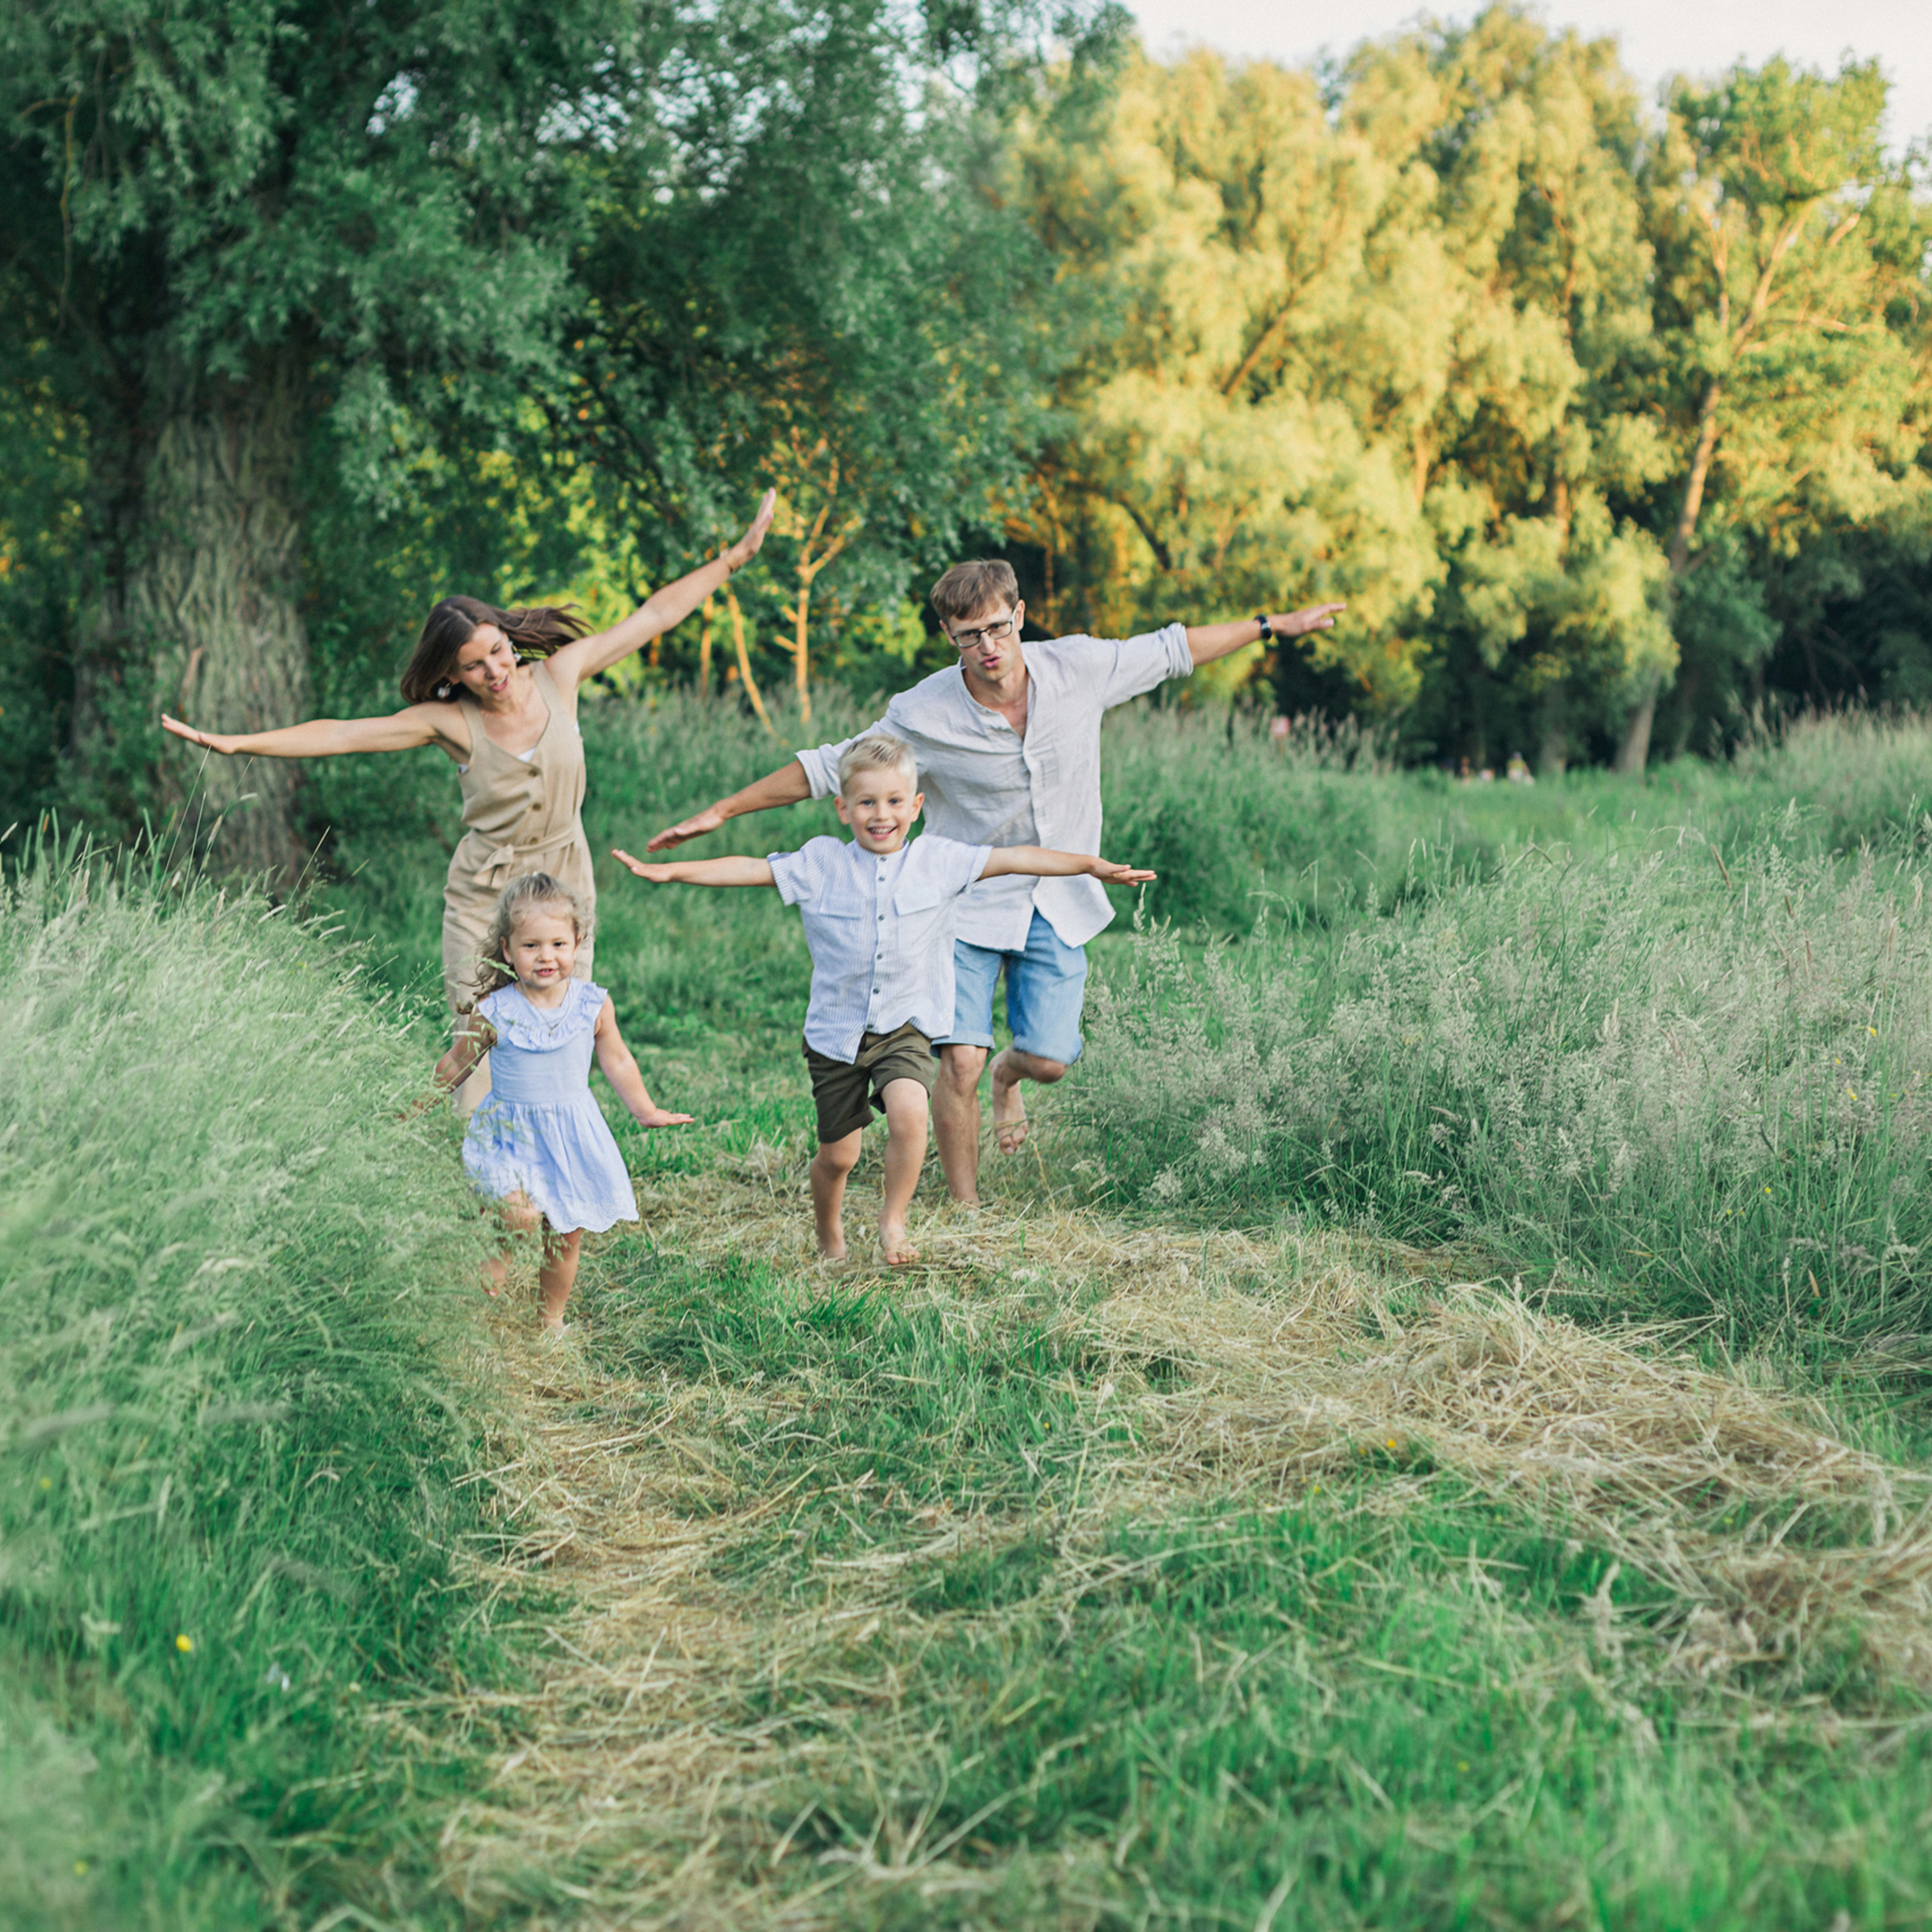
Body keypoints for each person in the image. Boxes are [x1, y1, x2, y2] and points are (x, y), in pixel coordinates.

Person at [644, 559, 1344, 1203]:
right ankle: (966, 1204)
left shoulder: (1078, 666)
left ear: (1020, 615)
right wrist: (721, 810)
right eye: (967, 636)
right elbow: (830, 768)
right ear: (949, 637)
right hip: (962, 901)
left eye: (998, 627)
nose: (987, 646)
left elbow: (1173, 649)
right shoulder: (922, 711)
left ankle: (1013, 1077)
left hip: (1056, 894)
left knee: (1049, 1060)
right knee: (960, 1063)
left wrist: (1271, 627)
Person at [162, 490, 776, 1104]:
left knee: (561, 1029)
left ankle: (548, 1159)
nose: (496, 671)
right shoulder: (449, 722)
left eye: (498, 650)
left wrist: (735, 559)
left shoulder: (560, 677)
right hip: (486, 890)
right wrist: (237, 744)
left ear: (509, 638)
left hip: (565, 880)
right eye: (475, 666)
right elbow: (342, 735)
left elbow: (655, 616)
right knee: (479, 1035)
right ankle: (477, 1167)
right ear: (452, 675)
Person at [613, 732, 1153, 1265]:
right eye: (867, 802)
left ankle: (893, 1222)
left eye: (895, 801)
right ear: (842, 808)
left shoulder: (937, 862)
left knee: (910, 1112)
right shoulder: (821, 863)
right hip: (837, 1035)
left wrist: (1089, 865)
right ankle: (829, 1232)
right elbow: (750, 869)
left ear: (916, 806)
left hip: (906, 1026)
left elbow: (1015, 857)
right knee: (838, 1157)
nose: (881, 814)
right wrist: (670, 872)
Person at [432, 872, 694, 1334]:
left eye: (558, 944)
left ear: (578, 943)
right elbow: (457, 1064)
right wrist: (416, 1102)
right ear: (508, 950)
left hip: (570, 1134)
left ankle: (550, 1320)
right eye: (531, 946)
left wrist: (645, 1110)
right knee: (519, 1215)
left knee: (565, 1236)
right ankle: (485, 1278)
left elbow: (618, 1061)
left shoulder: (592, 1006)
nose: (546, 956)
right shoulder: (496, 1009)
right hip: (508, 1133)